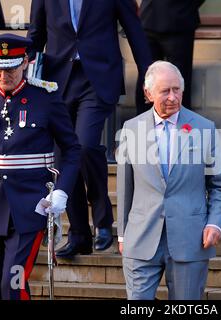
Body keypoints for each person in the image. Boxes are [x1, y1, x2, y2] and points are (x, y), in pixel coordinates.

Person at [0, 33, 81, 300]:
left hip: (30, 209)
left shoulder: (46, 98)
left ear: (25, 63)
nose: (2, 76)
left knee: (13, 283)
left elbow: (73, 149)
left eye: (9, 70)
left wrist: (62, 191)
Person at [27, 0, 152, 256]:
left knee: (85, 146)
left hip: (98, 78)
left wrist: (148, 74)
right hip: (58, 79)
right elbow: (36, 34)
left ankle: (103, 219)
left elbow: (134, 29)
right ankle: (79, 234)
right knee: (63, 156)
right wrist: (20, 68)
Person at [116, 61, 221, 300]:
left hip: (190, 240)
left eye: (177, 89)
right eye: (165, 91)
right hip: (141, 238)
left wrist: (215, 223)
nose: (172, 97)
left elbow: (220, 186)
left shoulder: (205, 129)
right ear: (148, 94)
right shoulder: (131, 129)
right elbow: (125, 187)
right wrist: (122, 235)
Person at [138, 0, 205, 113]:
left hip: (163, 18)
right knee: (151, 78)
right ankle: (150, 125)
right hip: (171, 18)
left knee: (171, 78)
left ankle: (150, 125)